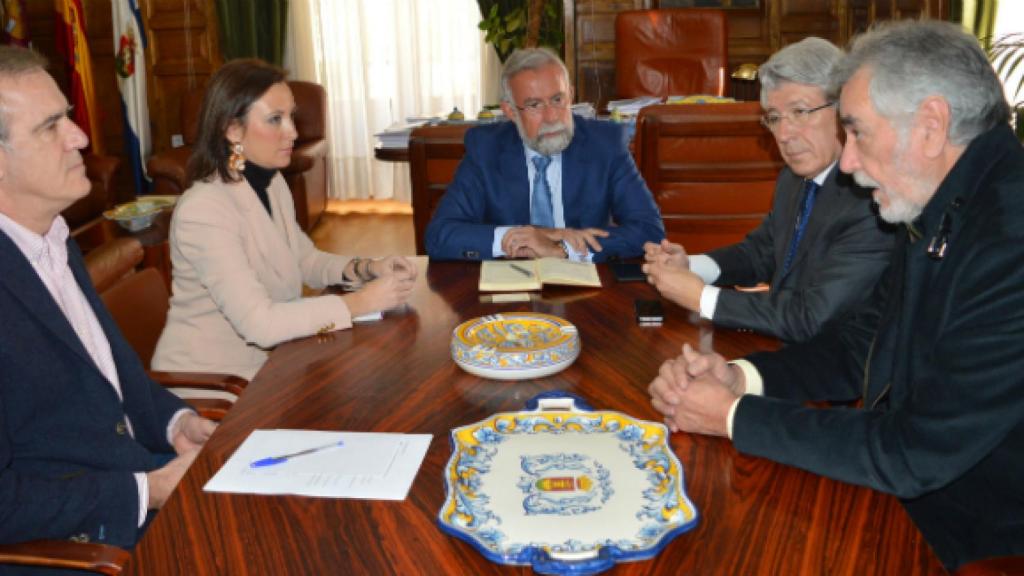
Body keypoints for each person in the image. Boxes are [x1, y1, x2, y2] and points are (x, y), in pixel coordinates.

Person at [647, 20, 1024, 570]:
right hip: (915, 494)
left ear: (931, 125)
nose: (846, 162)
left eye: (857, 132)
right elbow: (860, 347)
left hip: (977, 541)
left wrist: (733, 417)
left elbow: (915, 450)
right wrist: (741, 377)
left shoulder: (1010, 239)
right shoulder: (941, 201)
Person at [0, 46, 216, 548]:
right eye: (50, 126)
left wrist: (174, 423)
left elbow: (111, 381)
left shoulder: (53, 239)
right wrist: (147, 491)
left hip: (138, 480)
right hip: (82, 546)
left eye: (68, 118)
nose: (80, 137)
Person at [153, 60, 417, 381]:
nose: (292, 131)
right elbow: (260, 325)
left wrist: (366, 268)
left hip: (275, 364)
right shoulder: (204, 211)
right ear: (232, 129)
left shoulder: (271, 182)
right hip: (219, 383)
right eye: (275, 119)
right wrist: (360, 303)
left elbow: (305, 260)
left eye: (291, 116)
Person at [643, 37, 893, 342]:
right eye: (774, 118)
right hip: (788, 350)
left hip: (843, 372)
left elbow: (811, 314)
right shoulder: (793, 178)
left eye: (800, 112)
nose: (785, 134)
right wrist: (692, 266)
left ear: (843, 111)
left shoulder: (874, 199)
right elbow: (762, 251)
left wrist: (701, 298)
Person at [425, 47, 665, 262]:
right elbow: (440, 235)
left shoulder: (604, 144)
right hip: (509, 288)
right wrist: (527, 237)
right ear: (510, 110)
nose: (552, 117)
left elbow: (648, 229)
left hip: (585, 287)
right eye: (534, 105)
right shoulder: (487, 148)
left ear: (570, 95)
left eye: (557, 99)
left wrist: (561, 248)